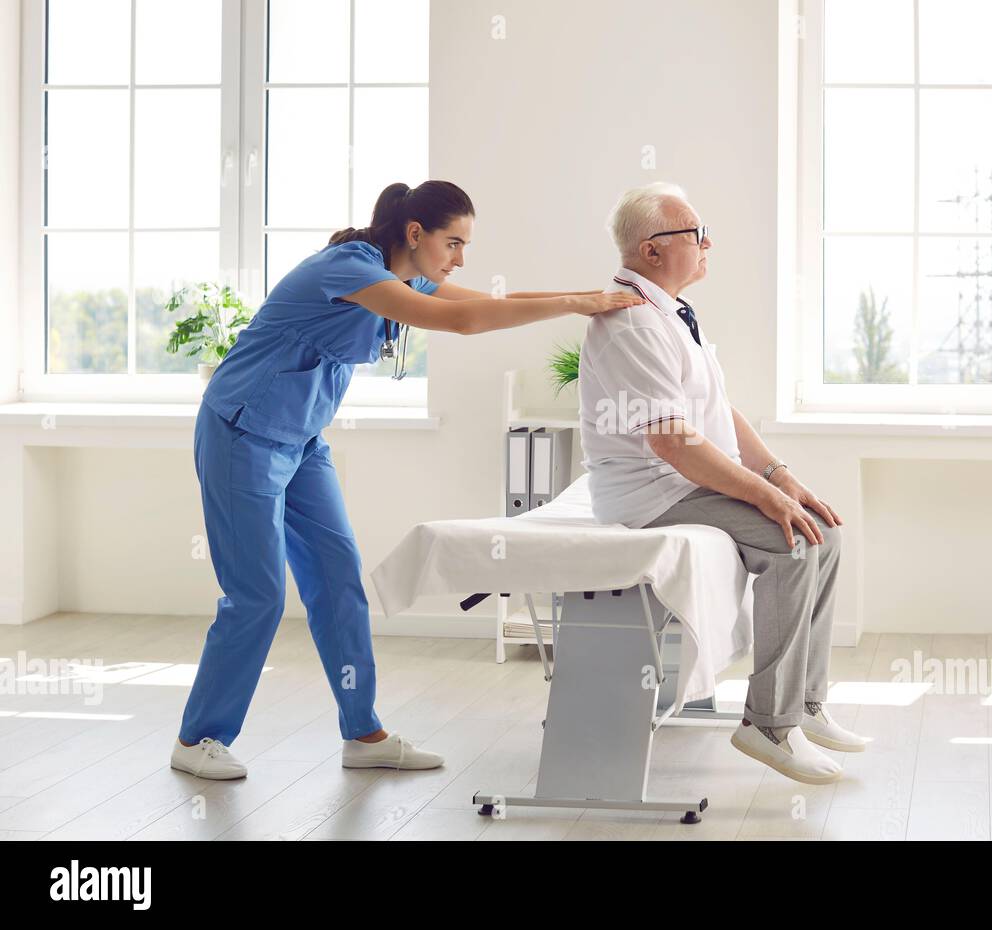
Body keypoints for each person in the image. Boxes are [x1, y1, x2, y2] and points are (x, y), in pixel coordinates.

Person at [172, 180, 644, 780]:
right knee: (259, 595)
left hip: (302, 440)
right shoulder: (346, 268)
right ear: (415, 233)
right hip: (241, 433)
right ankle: (197, 738)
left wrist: (587, 296)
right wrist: (579, 305)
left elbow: (490, 301)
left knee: (340, 584)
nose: (460, 259)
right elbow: (465, 321)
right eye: (454, 243)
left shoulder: (405, 278)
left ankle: (364, 734)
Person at [577, 182, 865, 786]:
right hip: (651, 491)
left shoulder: (672, 313)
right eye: (695, 233)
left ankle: (805, 704)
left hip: (681, 479)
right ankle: (767, 722)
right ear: (652, 250)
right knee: (795, 541)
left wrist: (781, 477)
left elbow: (721, 412)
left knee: (825, 534)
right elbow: (672, 443)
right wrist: (767, 498)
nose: (709, 243)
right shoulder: (630, 322)